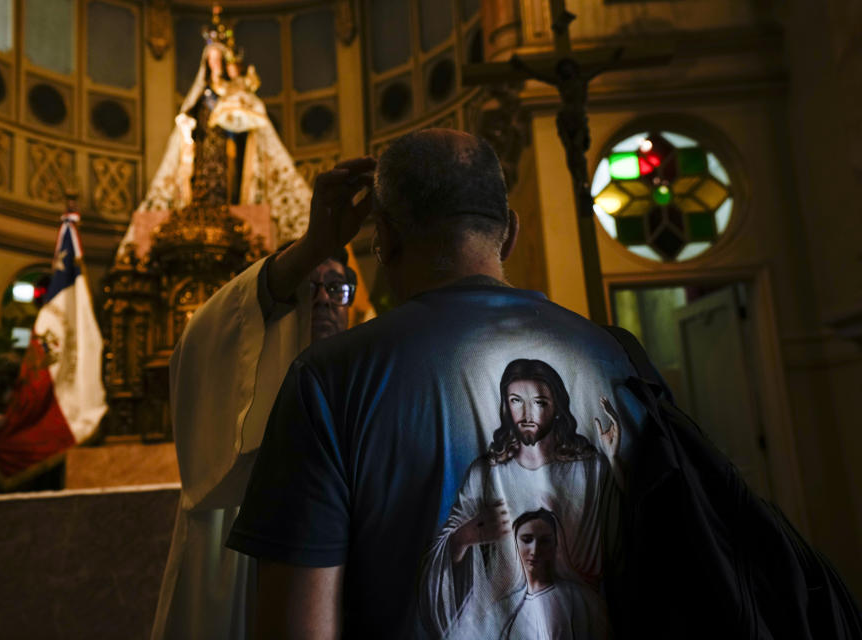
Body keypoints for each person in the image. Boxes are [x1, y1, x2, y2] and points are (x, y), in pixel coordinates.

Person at [226, 128, 650, 638]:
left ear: (382, 238)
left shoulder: (329, 379)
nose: (527, 413)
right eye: (514, 401)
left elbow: (297, 626)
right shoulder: (617, 359)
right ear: (509, 233)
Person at [150, 157, 374, 640]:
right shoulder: (257, 373)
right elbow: (204, 341)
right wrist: (313, 247)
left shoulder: (372, 374)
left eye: (336, 288)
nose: (321, 300)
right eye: (307, 287)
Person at [420, 359, 623, 637]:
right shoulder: (485, 474)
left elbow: (627, 534)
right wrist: (469, 534)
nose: (526, 413)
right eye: (516, 401)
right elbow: (443, 553)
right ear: (505, 407)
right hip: (500, 623)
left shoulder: (589, 468)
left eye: (539, 402)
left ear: (558, 409)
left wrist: (615, 463)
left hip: (578, 620)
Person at [117, 12, 310, 262]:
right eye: (211, 59)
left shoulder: (234, 91)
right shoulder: (201, 94)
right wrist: (188, 127)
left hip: (227, 145)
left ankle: (225, 206)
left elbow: (249, 121)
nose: (215, 64)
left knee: (229, 176)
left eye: (219, 58)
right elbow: (190, 119)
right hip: (204, 149)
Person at [499, 508, 609, 640]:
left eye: (545, 541)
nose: (535, 550)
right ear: (515, 544)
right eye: (527, 540)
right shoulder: (506, 606)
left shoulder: (579, 597)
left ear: (556, 544)